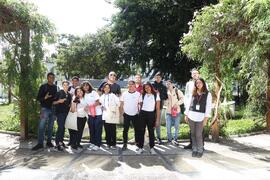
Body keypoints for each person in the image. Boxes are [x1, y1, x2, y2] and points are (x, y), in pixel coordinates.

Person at [184, 78, 212, 158]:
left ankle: (200, 149)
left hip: (201, 117)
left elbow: (208, 107)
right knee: (192, 134)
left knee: (198, 134)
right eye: (197, 83)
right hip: (191, 116)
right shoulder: (193, 92)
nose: (198, 84)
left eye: (200, 83)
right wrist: (186, 115)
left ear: (203, 83)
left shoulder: (207, 94)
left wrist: (206, 118)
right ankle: (194, 149)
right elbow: (189, 104)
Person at [32, 72, 57, 151]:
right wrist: (45, 98)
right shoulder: (43, 86)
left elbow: (55, 98)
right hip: (44, 109)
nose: (51, 79)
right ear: (47, 78)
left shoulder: (55, 87)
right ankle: (40, 143)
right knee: (42, 126)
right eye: (50, 77)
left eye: (53, 77)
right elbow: (38, 98)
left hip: (53, 109)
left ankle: (49, 142)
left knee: (50, 126)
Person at [137, 82, 160, 154]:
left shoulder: (156, 95)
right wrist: (140, 114)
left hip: (151, 115)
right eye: (145, 88)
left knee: (151, 132)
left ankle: (152, 148)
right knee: (141, 131)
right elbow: (140, 106)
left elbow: (158, 108)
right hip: (143, 114)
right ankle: (140, 147)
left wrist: (157, 120)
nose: (147, 89)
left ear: (151, 87)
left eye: (148, 87)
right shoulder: (142, 95)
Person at [120, 80, 141, 151]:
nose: (131, 86)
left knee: (137, 130)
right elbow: (122, 104)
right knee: (125, 130)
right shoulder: (124, 94)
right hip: (126, 114)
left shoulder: (138, 94)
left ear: (134, 85)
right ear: (128, 86)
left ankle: (137, 144)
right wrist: (122, 113)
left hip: (135, 114)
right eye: (129, 85)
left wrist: (139, 113)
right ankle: (125, 144)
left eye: (132, 85)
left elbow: (140, 104)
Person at [100, 83, 120, 149]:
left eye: (108, 88)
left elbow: (118, 103)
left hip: (112, 115)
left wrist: (114, 108)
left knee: (113, 130)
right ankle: (108, 144)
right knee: (107, 130)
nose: (106, 89)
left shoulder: (113, 95)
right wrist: (102, 107)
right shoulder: (102, 96)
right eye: (105, 87)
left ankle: (113, 144)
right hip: (105, 116)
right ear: (103, 88)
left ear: (110, 89)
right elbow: (100, 104)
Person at [184, 68, 201, 149]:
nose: (194, 74)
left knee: (200, 127)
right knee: (191, 127)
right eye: (193, 73)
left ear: (199, 74)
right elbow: (186, 95)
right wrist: (186, 107)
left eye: (196, 73)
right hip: (190, 108)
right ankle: (192, 144)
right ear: (191, 75)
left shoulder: (202, 83)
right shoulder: (189, 84)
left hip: (200, 109)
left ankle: (201, 145)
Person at [53, 81, 72, 151]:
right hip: (60, 113)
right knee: (60, 128)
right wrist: (59, 101)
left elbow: (69, 104)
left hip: (66, 114)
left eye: (67, 85)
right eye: (64, 85)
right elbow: (53, 102)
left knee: (63, 128)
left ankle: (61, 142)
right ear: (62, 85)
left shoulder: (69, 94)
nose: (66, 86)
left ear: (68, 86)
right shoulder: (59, 93)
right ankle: (58, 143)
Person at [164, 80, 184, 145]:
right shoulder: (165, 92)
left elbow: (182, 99)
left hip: (177, 112)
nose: (168, 85)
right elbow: (164, 103)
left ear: (172, 84)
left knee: (176, 127)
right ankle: (170, 140)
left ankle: (175, 140)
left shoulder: (177, 91)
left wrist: (177, 104)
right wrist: (167, 101)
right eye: (167, 84)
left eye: (169, 84)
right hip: (168, 112)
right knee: (168, 127)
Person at [85, 82, 103, 151]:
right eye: (84, 86)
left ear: (89, 86)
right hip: (90, 114)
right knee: (91, 129)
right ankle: (92, 142)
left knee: (97, 129)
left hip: (98, 114)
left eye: (87, 85)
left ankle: (97, 144)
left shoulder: (93, 92)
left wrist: (90, 106)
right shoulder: (84, 94)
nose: (86, 87)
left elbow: (98, 102)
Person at [152, 73, 168, 144]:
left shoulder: (164, 87)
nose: (158, 78)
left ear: (161, 78)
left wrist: (159, 94)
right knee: (151, 123)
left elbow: (165, 97)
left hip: (160, 107)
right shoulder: (152, 85)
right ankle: (151, 138)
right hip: (151, 107)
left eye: (159, 77)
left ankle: (158, 138)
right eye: (156, 77)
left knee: (158, 123)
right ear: (155, 78)